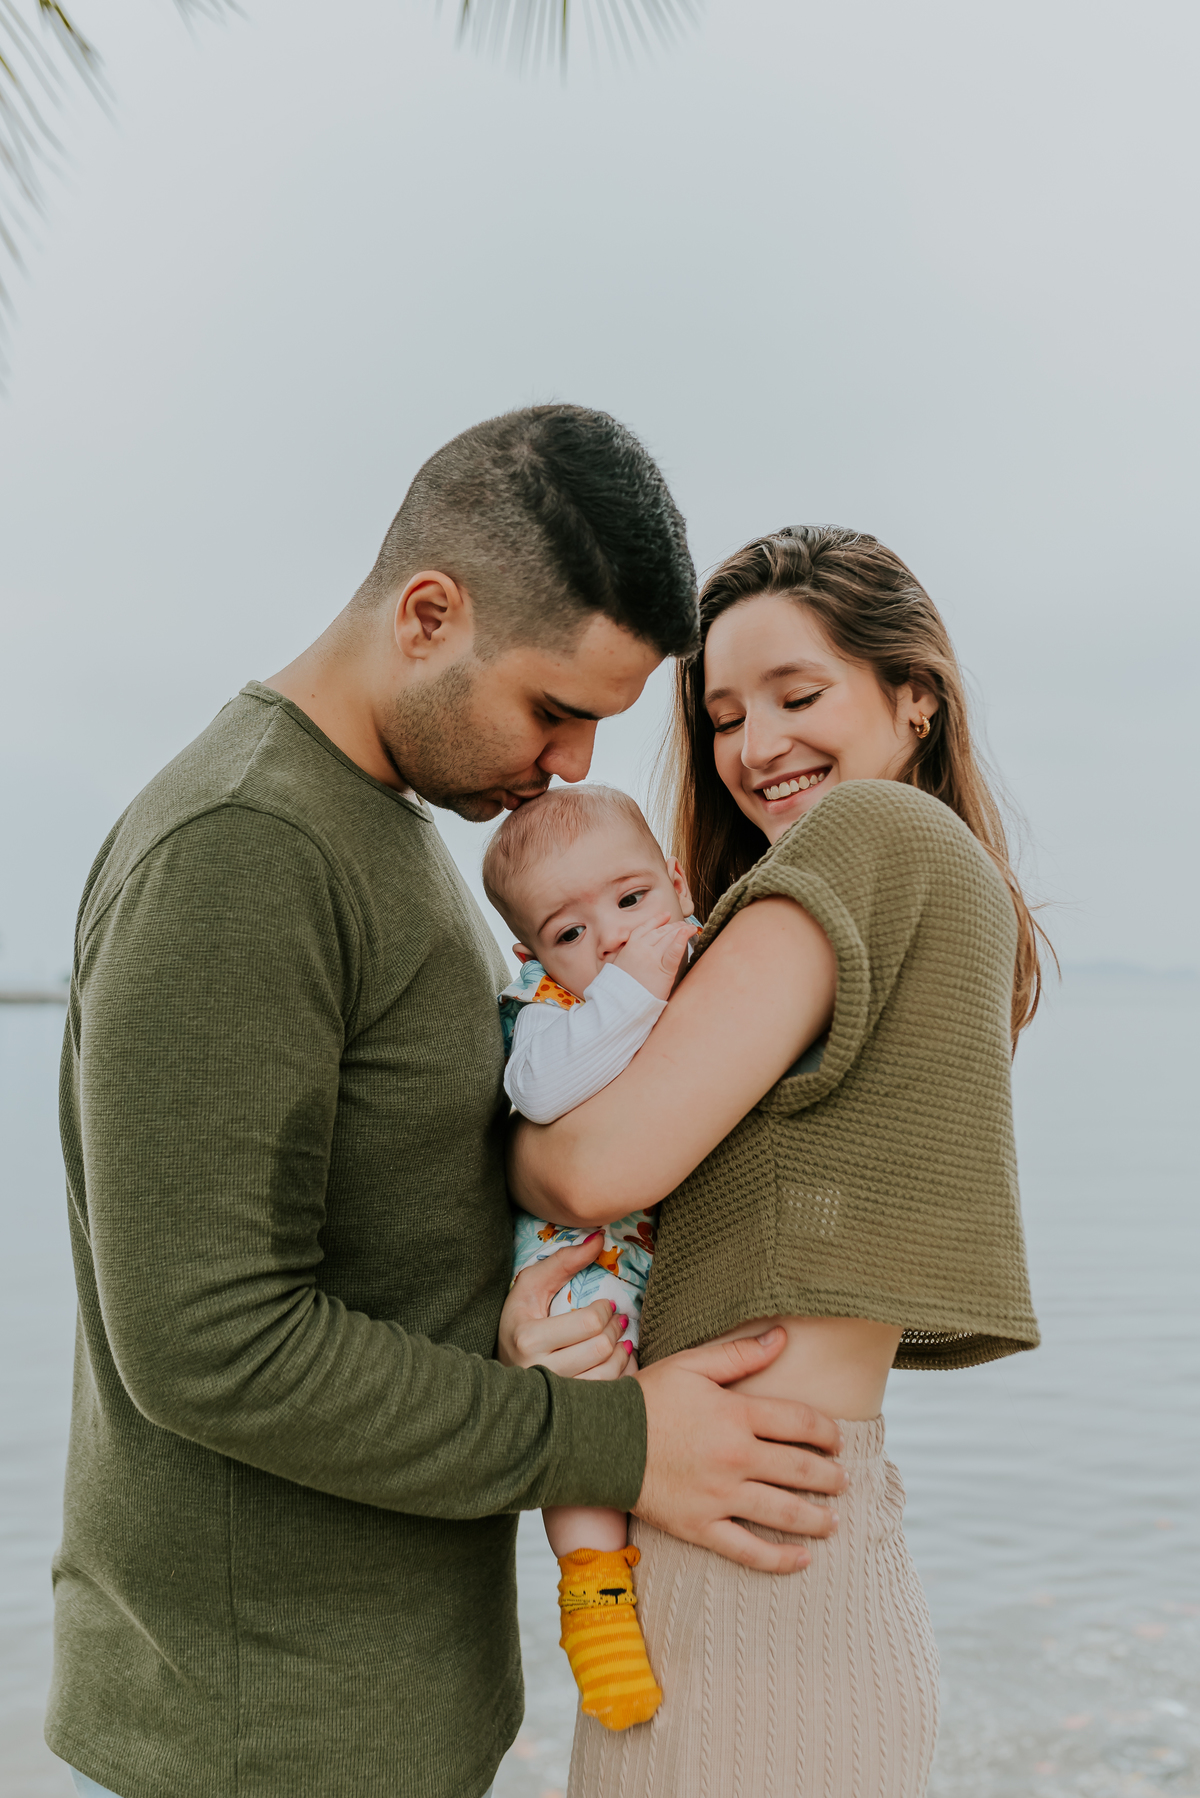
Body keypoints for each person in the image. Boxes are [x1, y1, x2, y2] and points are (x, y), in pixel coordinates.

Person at [47, 412, 848, 1798]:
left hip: (383, 1712)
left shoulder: (401, 832)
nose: (580, 764)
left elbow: (411, 1217)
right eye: (555, 708)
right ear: (429, 614)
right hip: (254, 1743)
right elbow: (208, 1342)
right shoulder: (241, 850)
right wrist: (618, 1438)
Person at [506, 525, 1044, 1798]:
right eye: (726, 716)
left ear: (915, 696)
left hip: (757, 1554)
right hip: (748, 1526)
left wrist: (531, 1161)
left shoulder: (869, 837)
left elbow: (597, 1172)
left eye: (800, 697)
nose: (756, 748)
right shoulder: (899, 889)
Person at [482, 784, 699, 1730]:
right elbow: (539, 1092)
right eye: (571, 931)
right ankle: (594, 1600)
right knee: (582, 1419)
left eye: (629, 900)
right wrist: (630, 990)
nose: (609, 939)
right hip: (585, 1266)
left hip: (676, 1264)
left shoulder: (717, 967)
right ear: (534, 954)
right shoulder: (550, 1011)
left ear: (676, 883)